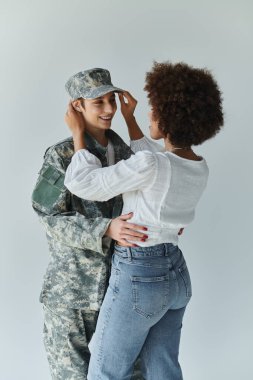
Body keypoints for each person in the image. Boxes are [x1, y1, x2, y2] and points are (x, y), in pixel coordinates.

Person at [64, 61, 224, 380]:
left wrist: (78, 136)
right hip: (176, 275)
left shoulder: (152, 164)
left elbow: (83, 183)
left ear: (167, 119)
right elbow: (152, 159)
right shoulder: (197, 166)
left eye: (153, 110)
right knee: (162, 367)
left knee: (106, 371)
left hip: (141, 273)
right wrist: (131, 119)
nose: (149, 113)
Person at [31, 68, 149, 380]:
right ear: (77, 106)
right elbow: (49, 216)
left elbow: (146, 193)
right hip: (71, 291)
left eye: (112, 100)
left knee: (131, 373)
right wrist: (105, 228)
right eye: (98, 102)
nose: (110, 109)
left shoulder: (123, 151)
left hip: (120, 285)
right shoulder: (62, 154)